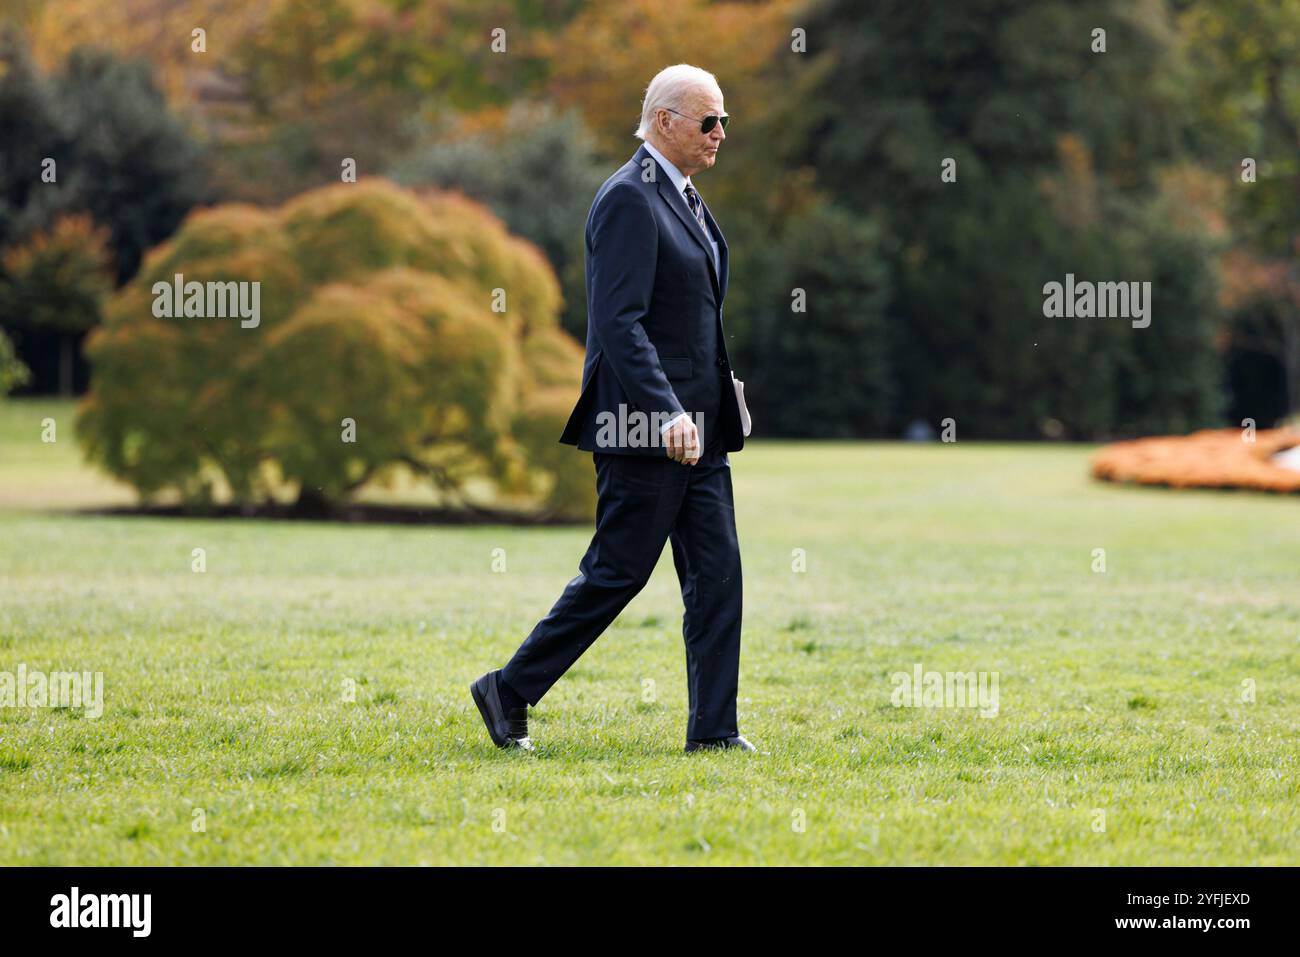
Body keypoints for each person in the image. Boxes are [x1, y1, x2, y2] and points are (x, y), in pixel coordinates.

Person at [471, 63, 754, 754]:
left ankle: (714, 732)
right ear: (665, 122)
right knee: (617, 574)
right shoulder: (628, 198)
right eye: (708, 120)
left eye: (723, 120)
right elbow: (618, 324)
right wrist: (665, 414)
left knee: (719, 579)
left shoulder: (683, 195)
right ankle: (508, 690)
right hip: (644, 428)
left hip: (703, 431)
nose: (721, 132)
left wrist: (710, 409)